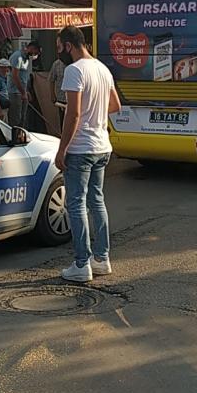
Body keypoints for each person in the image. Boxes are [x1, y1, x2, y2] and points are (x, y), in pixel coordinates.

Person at [54, 25, 120, 283]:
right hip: (102, 146)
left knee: (76, 204)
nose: (59, 51)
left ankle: (81, 264)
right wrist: (97, 113)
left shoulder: (74, 70)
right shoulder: (102, 69)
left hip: (81, 147)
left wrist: (62, 149)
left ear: (69, 45)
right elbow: (115, 105)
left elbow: (73, 114)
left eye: (59, 47)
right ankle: (102, 259)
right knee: (97, 201)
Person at [8, 40, 41, 127]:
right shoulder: (18, 57)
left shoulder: (26, 59)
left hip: (22, 92)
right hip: (15, 92)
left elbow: (23, 77)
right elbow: (15, 76)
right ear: (31, 48)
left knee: (23, 118)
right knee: (16, 119)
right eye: (35, 53)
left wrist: (26, 91)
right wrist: (23, 92)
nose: (34, 55)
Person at [48, 39, 68, 133]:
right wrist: (52, 95)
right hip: (61, 99)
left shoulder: (74, 63)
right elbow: (51, 80)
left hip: (73, 99)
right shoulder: (56, 64)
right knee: (63, 122)